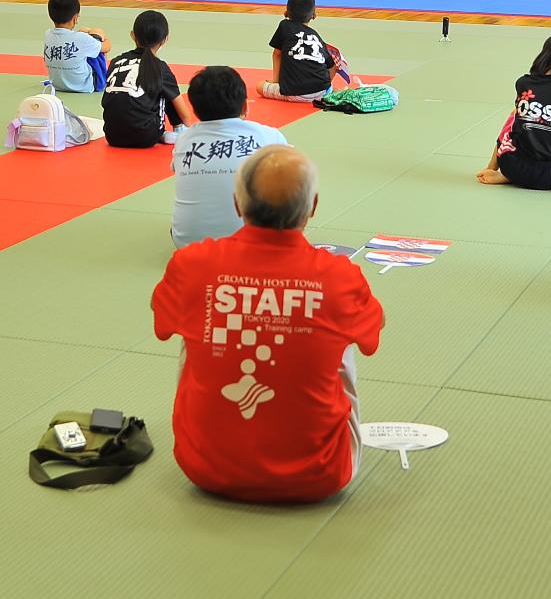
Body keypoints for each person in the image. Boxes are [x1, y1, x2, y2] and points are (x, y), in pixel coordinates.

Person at [151, 146, 385, 504]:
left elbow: (163, 324)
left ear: (236, 205)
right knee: (341, 332)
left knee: (197, 318)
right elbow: (373, 333)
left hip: (205, 468)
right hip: (320, 474)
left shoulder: (191, 262)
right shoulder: (339, 275)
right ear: (313, 207)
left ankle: (224, 437)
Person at [170, 66, 289, 248]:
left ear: (195, 110)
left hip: (188, 244)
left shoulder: (185, 140)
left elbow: (177, 169)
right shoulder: (268, 136)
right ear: (245, 106)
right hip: (255, 247)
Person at [478, 31, 551, 191]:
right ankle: (511, 177)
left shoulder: (524, 83)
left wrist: (493, 166)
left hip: (512, 166)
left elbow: (509, 130)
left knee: (514, 116)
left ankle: (496, 172)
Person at [103, 9, 192, 148]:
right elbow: (185, 115)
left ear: (133, 35)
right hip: (146, 136)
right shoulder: (160, 67)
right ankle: (177, 131)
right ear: (165, 39)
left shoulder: (116, 61)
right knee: (165, 90)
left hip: (112, 135)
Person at [263, 0, 355, 102]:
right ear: (313, 15)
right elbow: (332, 66)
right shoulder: (316, 37)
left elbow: (277, 54)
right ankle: (328, 90)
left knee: (259, 86)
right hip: (320, 92)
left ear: (286, 12)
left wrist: (276, 82)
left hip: (294, 94)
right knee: (328, 70)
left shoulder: (284, 25)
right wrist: (325, 86)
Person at [44, 0, 110, 92]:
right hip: (87, 86)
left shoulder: (48, 34)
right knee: (97, 32)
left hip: (57, 85)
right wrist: (104, 37)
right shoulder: (81, 39)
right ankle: (102, 80)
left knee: (83, 32)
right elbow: (107, 47)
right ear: (75, 18)